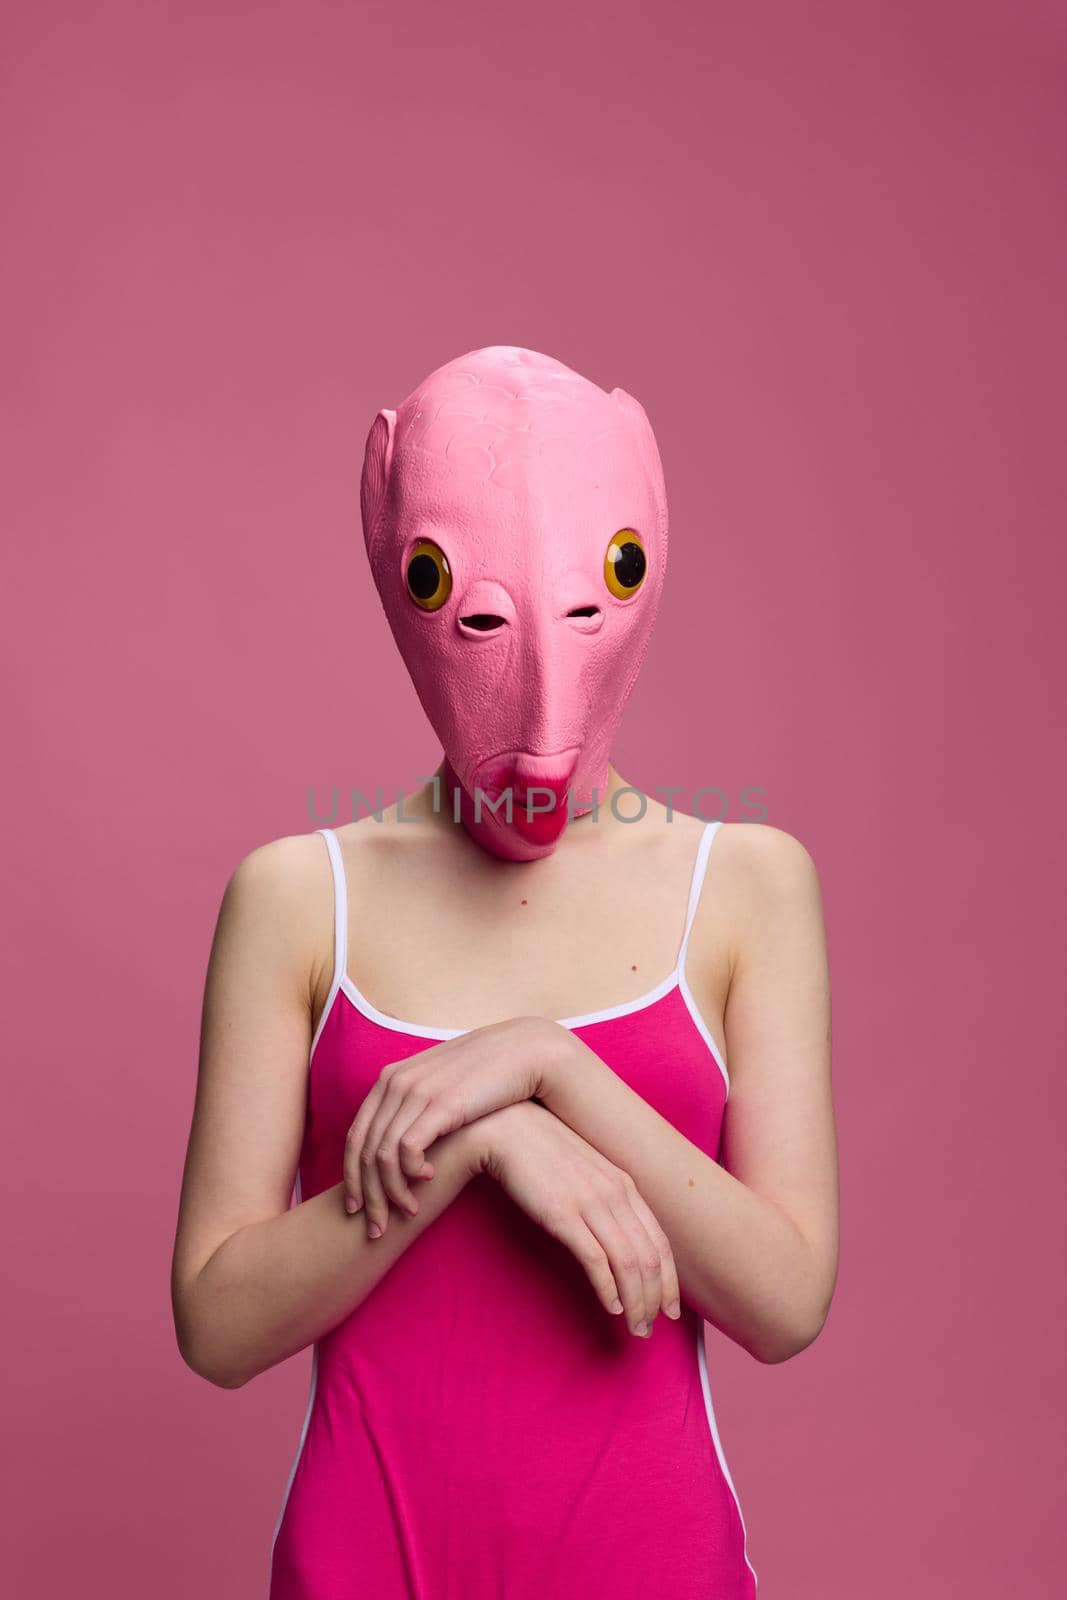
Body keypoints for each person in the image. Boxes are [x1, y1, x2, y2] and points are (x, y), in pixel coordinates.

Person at [170, 346, 838, 1599]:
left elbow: (784, 1298)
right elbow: (216, 1322)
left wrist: (543, 1068)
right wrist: (477, 1144)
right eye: (456, 599)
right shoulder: (297, 895)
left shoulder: (744, 884)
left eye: (604, 586)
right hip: (364, 1566)